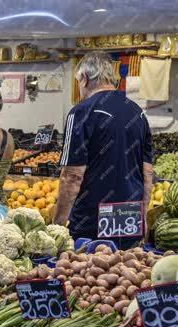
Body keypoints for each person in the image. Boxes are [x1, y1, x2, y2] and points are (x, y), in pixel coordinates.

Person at [54, 51, 153, 247]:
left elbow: (72, 175)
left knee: (90, 275)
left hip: (91, 221)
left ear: (84, 79)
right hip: (129, 220)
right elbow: (148, 172)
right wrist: (143, 217)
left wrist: (57, 225)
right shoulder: (137, 112)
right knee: (127, 275)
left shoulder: (81, 112)